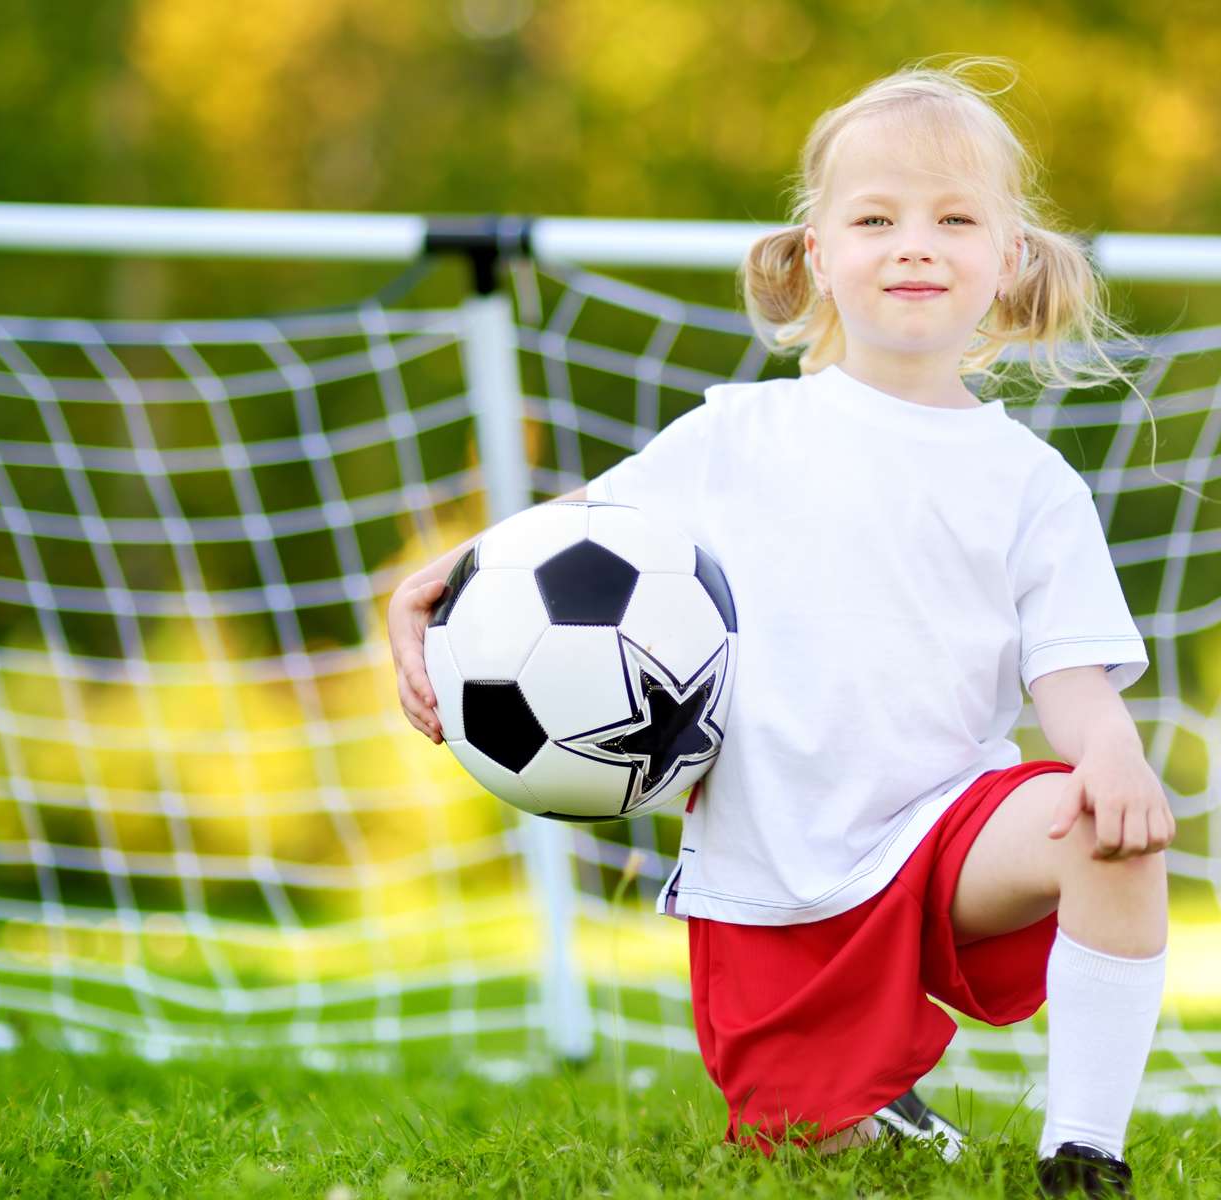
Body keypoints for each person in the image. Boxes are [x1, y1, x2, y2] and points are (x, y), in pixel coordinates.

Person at [387, 55, 1178, 1199]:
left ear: (1008, 260)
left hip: (945, 834)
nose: (915, 244)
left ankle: (1087, 1148)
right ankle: (876, 1110)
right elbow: (581, 535)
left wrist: (1111, 755)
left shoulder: (1029, 481)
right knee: (798, 1151)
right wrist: (442, 574)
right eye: (876, 218)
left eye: (955, 219)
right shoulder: (737, 437)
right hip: (776, 866)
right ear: (818, 254)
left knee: (1112, 830)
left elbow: (1071, 674)